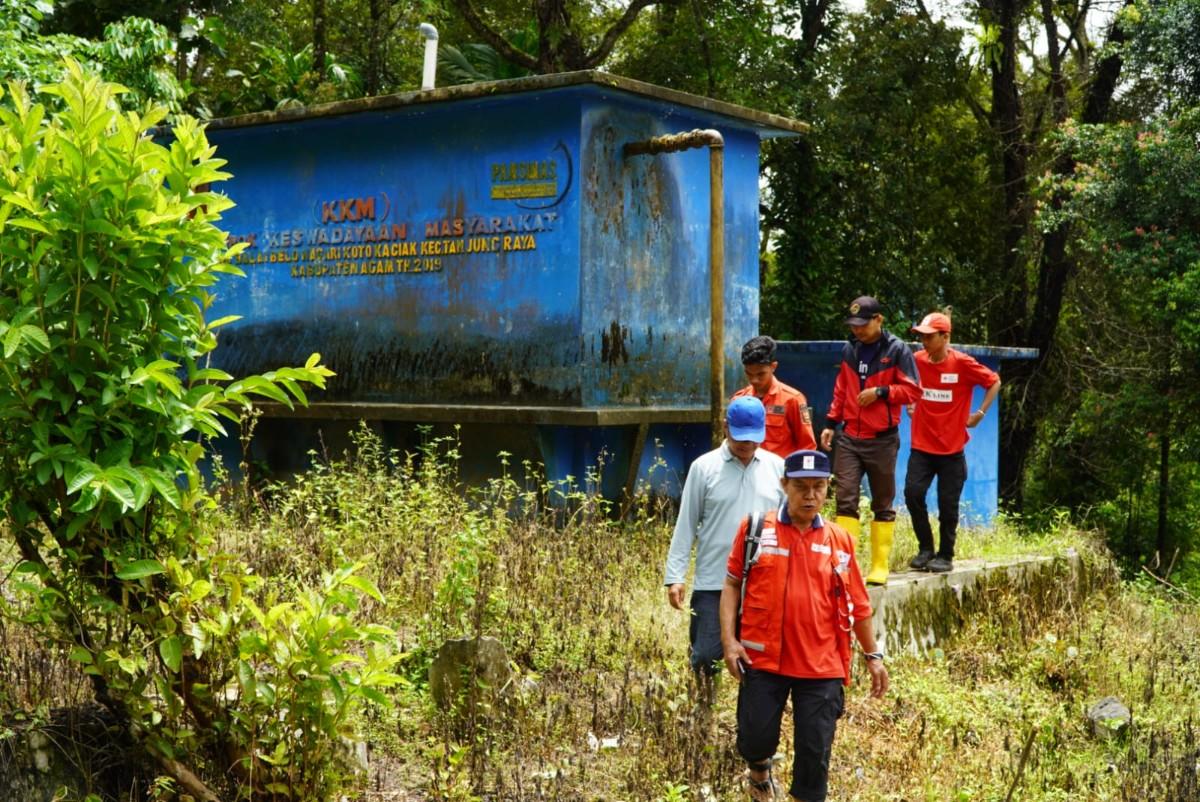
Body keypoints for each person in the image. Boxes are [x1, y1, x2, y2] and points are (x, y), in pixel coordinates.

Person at [719, 449, 888, 802]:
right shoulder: (754, 528)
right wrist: (729, 642)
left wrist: (873, 655)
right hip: (763, 659)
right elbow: (732, 584)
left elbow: (858, 603)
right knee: (755, 738)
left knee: (814, 753)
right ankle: (759, 773)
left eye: (819, 487)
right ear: (784, 486)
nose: (811, 496)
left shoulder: (839, 540)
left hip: (821, 665)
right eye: (801, 487)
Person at [664, 396, 785, 703]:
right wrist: (675, 575)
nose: (746, 445)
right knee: (705, 655)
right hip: (714, 581)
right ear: (725, 427)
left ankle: (752, 724)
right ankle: (703, 712)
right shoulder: (703, 468)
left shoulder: (777, 468)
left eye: (752, 439)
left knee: (759, 664)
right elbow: (686, 523)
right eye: (739, 438)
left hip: (762, 584)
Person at [819, 295, 921, 585]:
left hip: (882, 440)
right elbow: (841, 390)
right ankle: (845, 567)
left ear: (879, 320)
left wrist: (882, 392)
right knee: (845, 499)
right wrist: (830, 422)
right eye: (853, 325)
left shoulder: (898, 350)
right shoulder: (849, 350)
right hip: (849, 436)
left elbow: (913, 391)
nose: (857, 330)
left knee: (882, 502)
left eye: (863, 324)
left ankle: (879, 565)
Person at [905, 312, 1001, 573]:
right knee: (913, 494)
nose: (923, 341)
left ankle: (945, 555)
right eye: (921, 336)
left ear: (945, 337)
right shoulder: (917, 361)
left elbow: (994, 382)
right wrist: (910, 403)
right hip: (921, 446)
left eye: (929, 336)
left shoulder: (963, 364)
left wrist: (980, 414)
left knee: (948, 506)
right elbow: (908, 385)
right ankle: (926, 549)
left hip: (951, 450)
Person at [732, 335, 817, 458]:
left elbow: (807, 446)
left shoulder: (792, 399)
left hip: (780, 473)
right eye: (749, 374)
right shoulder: (738, 400)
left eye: (761, 374)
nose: (754, 380)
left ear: (773, 367)